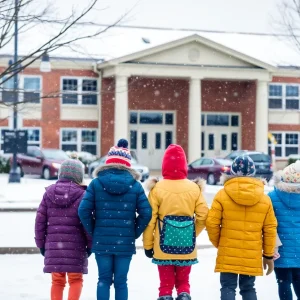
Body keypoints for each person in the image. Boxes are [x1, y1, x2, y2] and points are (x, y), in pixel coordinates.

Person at [78, 139, 152, 300]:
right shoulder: (135, 185)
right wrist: (133, 232)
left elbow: (83, 210)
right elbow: (146, 213)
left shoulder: (96, 183)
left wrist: (94, 231)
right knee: (121, 281)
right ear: (127, 164)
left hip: (101, 242)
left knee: (103, 280)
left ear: (107, 162)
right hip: (124, 243)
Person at [206, 155, 277, 300]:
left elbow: (211, 223)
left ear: (232, 171)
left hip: (228, 251)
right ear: (253, 172)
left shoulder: (222, 195)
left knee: (227, 287)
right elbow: (270, 229)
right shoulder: (264, 199)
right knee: (248, 288)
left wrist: (220, 243)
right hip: (252, 253)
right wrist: (268, 255)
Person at [143, 144, 209, 300]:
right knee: (184, 282)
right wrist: (192, 233)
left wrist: (148, 245)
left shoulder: (157, 189)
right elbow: (203, 215)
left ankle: (165, 296)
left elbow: (150, 220)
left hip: (162, 247)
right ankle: (184, 295)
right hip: (187, 246)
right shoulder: (194, 189)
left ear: (165, 165)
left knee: (165, 284)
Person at [34, 158, 92, 300]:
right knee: (76, 280)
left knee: (57, 281)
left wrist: (41, 245)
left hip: (54, 247)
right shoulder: (83, 195)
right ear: (79, 176)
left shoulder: (48, 194)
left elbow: (39, 222)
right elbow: (87, 224)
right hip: (76, 247)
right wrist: (90, 245)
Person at [268, 160, 300, 300]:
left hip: (280, 249)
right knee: (299, 281)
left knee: (283, 282)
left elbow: (268, 224)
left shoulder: (272, 197)